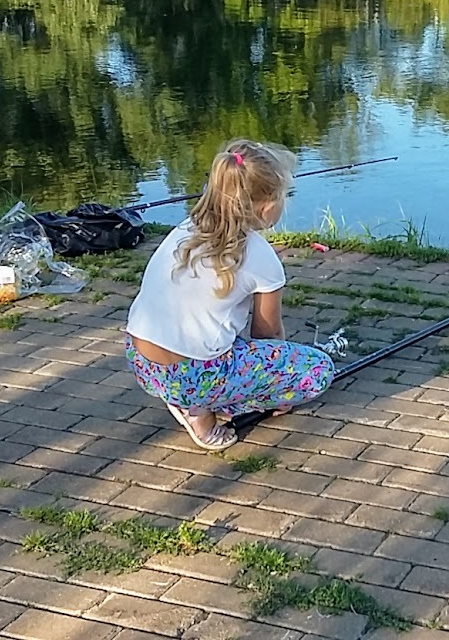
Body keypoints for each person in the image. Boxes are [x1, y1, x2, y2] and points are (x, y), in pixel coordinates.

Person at [124, 140, 335, 451]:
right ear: (266, 206)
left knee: (219, 343)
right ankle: (200, 414)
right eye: (283, 196)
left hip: (141, 362)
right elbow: (267, 334)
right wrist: (278, 387)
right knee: (318, 370)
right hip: (191, 376)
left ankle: (194, 397)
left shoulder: (186, 228)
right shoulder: (261, 257)